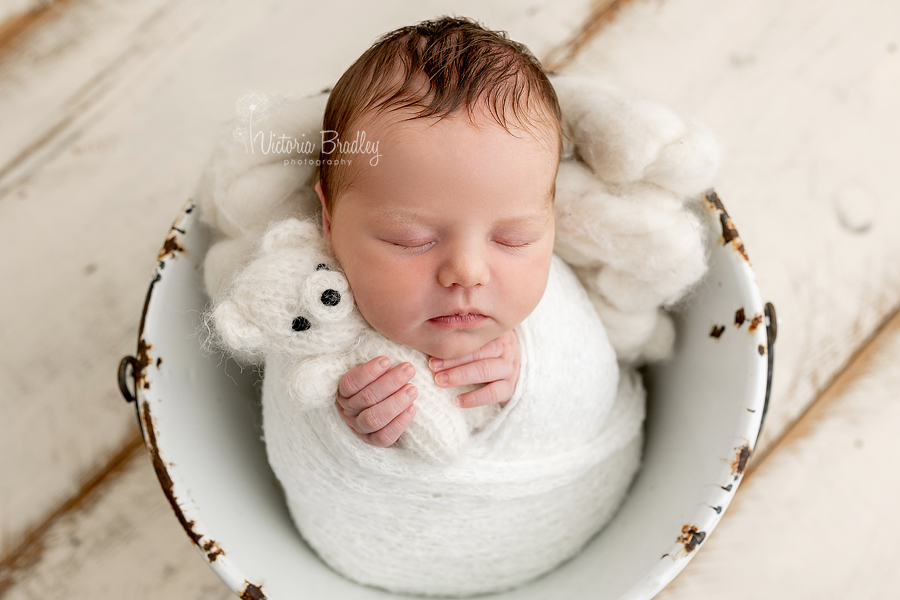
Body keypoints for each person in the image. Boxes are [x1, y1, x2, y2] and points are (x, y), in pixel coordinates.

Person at [313, 16, 563, 448]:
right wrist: (341, 425)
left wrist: (541, 373)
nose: (467, 272)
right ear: (329, 222)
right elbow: (290, 418)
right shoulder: (308, 314)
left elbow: (602, 387)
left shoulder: (557, 307)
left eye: (513, 238)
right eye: (411, 239)